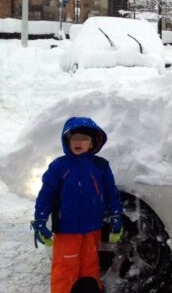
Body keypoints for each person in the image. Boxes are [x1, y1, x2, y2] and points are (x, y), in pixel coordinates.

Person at [31, 117, 124, 293]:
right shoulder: (59, 166)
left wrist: (116, 216)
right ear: (67, 141)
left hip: (92, 228)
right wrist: (40, 220)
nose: (78, 142)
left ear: (93, 143)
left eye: (84, 138)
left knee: (90, 264)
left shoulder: (101, 166)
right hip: (67, 229)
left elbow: (111, 193)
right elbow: (46, 195)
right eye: (74, 138)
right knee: (66, 267)